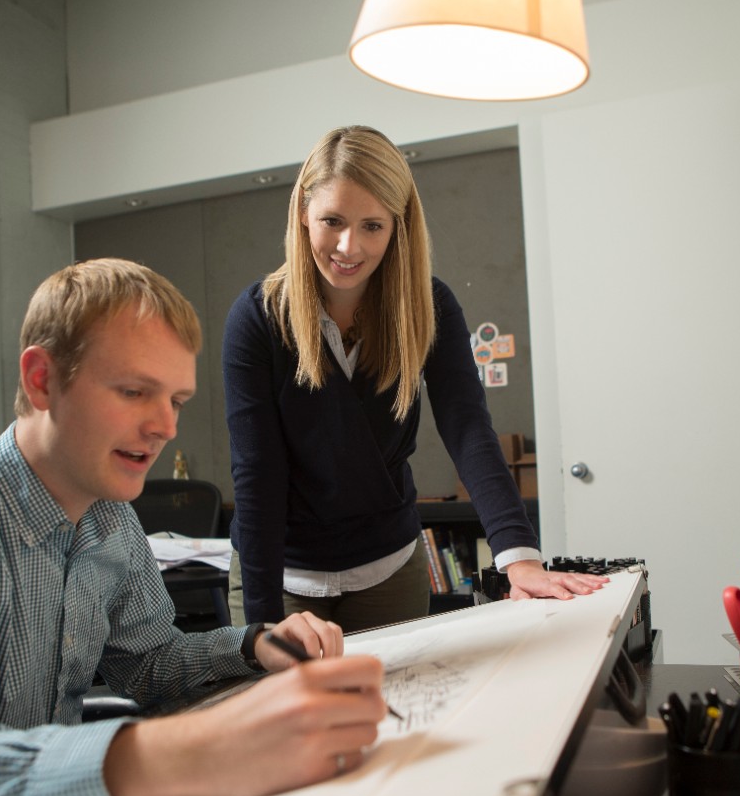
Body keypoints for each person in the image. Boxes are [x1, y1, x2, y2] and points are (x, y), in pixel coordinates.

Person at [0, 258, 386, 796]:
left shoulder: (110, 521)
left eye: (175, 400)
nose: (166, 427)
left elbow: (149, 665)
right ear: (42, 380)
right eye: (133, 392)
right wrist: (192, 752)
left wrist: (255, 646)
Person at [222, 125, 606, 631]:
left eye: (372, 226)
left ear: (399, 225)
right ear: (302, 214)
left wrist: (519, 557)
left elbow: (467, 427)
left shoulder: (430, 306)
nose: (348, 245)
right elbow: (258, 474)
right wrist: (262, 629)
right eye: (331, 220)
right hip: (282, 578)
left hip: (389, 572)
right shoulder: (258, 318)